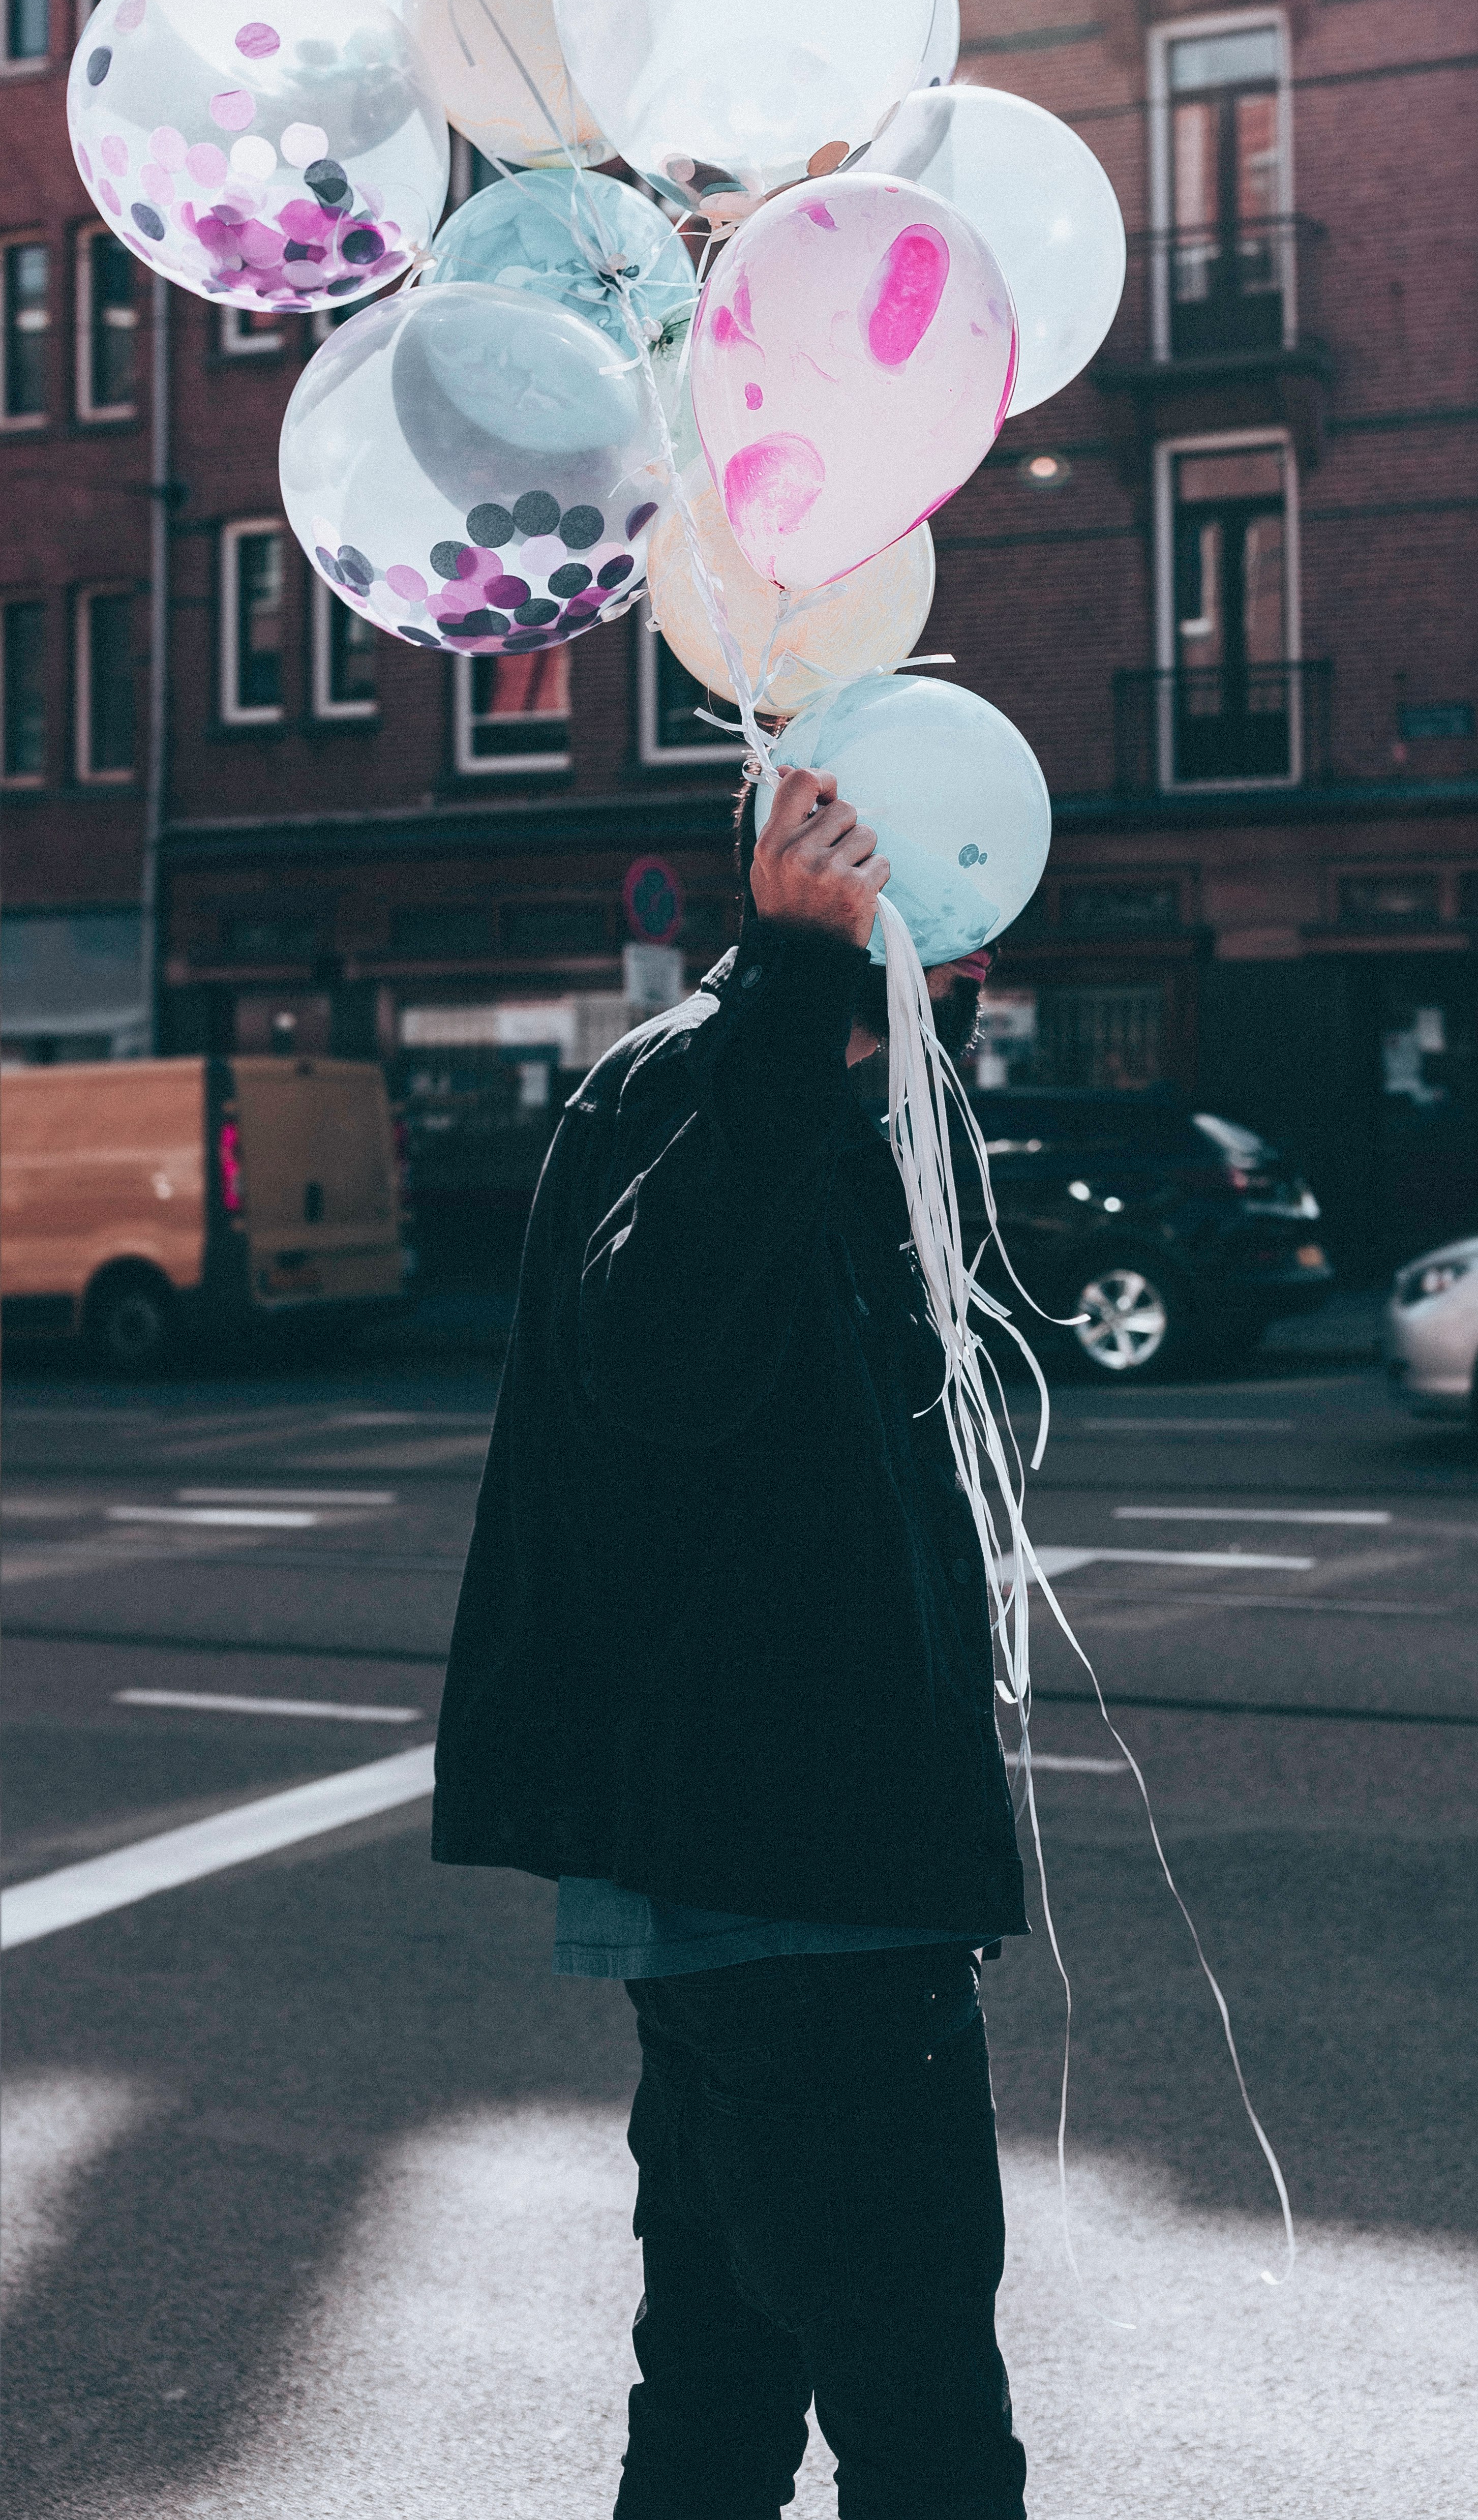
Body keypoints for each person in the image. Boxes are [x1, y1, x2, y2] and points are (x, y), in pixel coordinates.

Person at [433, 763, 1030, 2520]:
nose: (971, 1014)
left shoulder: (800, 1099)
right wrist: (796, 988)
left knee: (717, 2387)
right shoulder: (707, 1088)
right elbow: (665, 1357)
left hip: (764, 1877)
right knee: (923, 2425)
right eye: (960, 966)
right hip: (801, 1887)